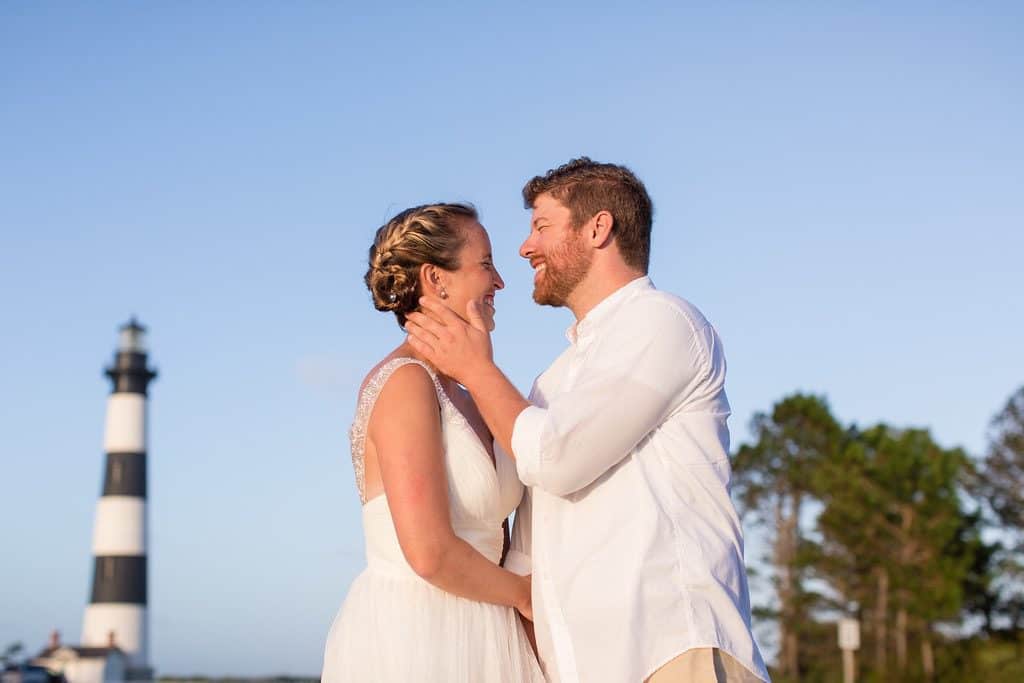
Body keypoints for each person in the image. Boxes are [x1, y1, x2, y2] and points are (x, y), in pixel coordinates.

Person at [406, 158, 771, 682]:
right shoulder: (550, 383)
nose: (525, 247)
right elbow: (528, 552)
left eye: (541, 226)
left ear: (598, 228)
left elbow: (556, 459)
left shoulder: (663, 321)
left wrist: (475, 368)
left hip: (669, 650)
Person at [321, 203, 545, 682]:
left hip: (492, 634)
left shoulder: (467, 390)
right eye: (485, 264)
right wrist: (527, 596)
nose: (500, 282)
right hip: (422, 637)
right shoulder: (405, 383)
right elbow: (429, 552)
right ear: (436, 278)